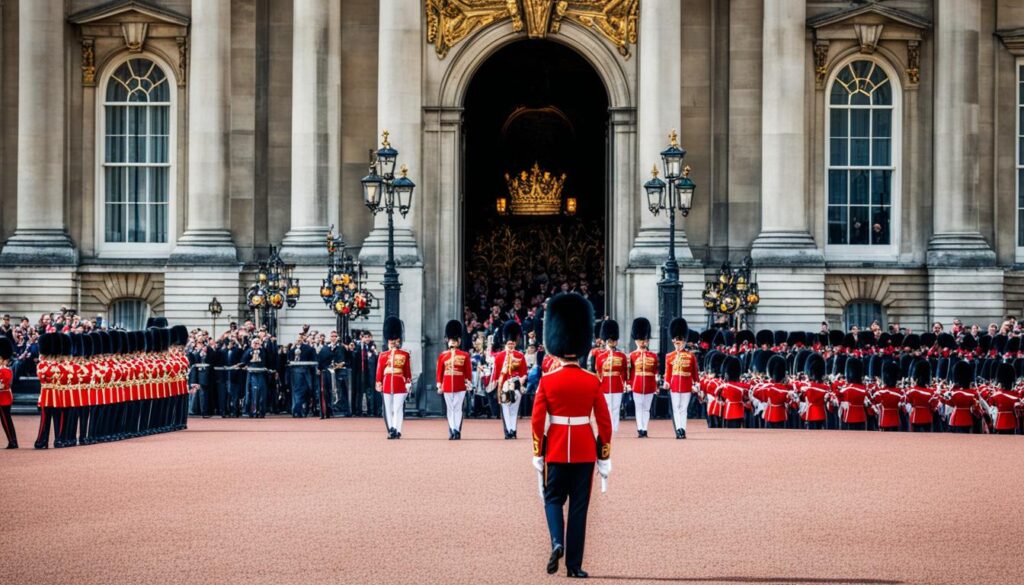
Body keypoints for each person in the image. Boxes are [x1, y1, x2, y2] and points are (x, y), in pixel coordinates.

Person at [531, 292, 612, 579]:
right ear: (581, 346)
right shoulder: (592, 381)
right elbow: (604, 422)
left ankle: (556, 542)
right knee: (579, 508)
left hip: (554, 448)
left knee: (552, 498)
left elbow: (537, 420)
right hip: (583, 450)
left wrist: (538, 453)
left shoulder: (548, 380)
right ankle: (574, 566)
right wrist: (604, 456)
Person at [376, 317, 412, 439]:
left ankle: (397, 429)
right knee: (388, 408)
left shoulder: (405, 354)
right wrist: (378, 382)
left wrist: (408, 382)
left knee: (397, 408)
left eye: (394, 339)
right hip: (387, 383)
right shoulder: (383, 355)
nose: (392, 341)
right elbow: (380, 370)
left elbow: (407, 371)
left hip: (399, 383)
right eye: (390, 339)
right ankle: (391, 428)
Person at [436, 320, 472, 439]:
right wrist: (439, 384)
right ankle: (452, 429)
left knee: (457, 408)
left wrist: (468, 382)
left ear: (458, 341)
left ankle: (456, 429)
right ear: (448, 340)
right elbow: (439, 371)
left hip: (460, 384)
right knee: (450, 408)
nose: (453, 342)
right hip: (447, 384)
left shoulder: (464, 355)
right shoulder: (443, 355)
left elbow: (467, 370)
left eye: (455, 340)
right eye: (451, 340)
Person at [663, 318, 698, 439]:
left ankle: (683, 428)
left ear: (684, 341)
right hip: (674, 385)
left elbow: (695, 373)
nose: (678, 343)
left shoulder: (691, 356)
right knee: (676, 408)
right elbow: (668, 372)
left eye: (680, 341)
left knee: (683, 409)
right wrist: (667, 382)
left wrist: (696, 384)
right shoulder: (669, 356)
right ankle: (678, 429)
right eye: (676, 341)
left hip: (687, 385)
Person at [492, 320, 527, 439]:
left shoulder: (520, 356)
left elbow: (524, 373)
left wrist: (520, 382)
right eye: (509, 343)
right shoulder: (499, 357)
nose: (511, 345)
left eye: (512, 343)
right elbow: (497, 375)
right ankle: (509, 430)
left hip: (516, 384)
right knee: (506, 409)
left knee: (513, 409)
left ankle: (513, 430)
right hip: (505, 385)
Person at [627, 317, 658, 438]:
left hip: (649, 385)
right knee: (639, 408)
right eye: (641, 340)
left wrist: (656, 385)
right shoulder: (632, 355)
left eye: (645, 339)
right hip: (637, 384)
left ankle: (645, 428)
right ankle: (640, 428)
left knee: (646, 409)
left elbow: (656, 371)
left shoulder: (653, 356)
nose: (643, 342)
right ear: (636, 340)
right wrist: (629, 384)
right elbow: (630, 372)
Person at [594, 319, 627, 433]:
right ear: (606, 341)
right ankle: (607, 428)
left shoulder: (621, 355)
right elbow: (598, 371)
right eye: (610, 340)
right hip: (605, 384)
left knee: (616, 408)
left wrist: (624, 383)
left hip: (617, 384)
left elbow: (623, 371)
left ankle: (615, 429)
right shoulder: (600, 355)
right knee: (607, 408)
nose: (612, 342)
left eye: (613, 340)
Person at [318, 330, 349, 418]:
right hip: (327, 373)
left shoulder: (341, 348)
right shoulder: (324, 348)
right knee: (327, 392)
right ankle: (327, 411)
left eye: (335, 336)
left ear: (337, 337)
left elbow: (345, 359)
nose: (333, 338)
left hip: (339, 373)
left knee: (338, 392)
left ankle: (340, 410)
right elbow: (320, 361)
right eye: (332, 336)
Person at [0, 337, 18, 448]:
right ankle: (13, 440)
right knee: (7, 420)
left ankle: (12, 441)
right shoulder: (5, 369)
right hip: (4, 396)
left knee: (5, 420)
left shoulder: (4, 370)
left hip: (3, 397)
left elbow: (2, 385)